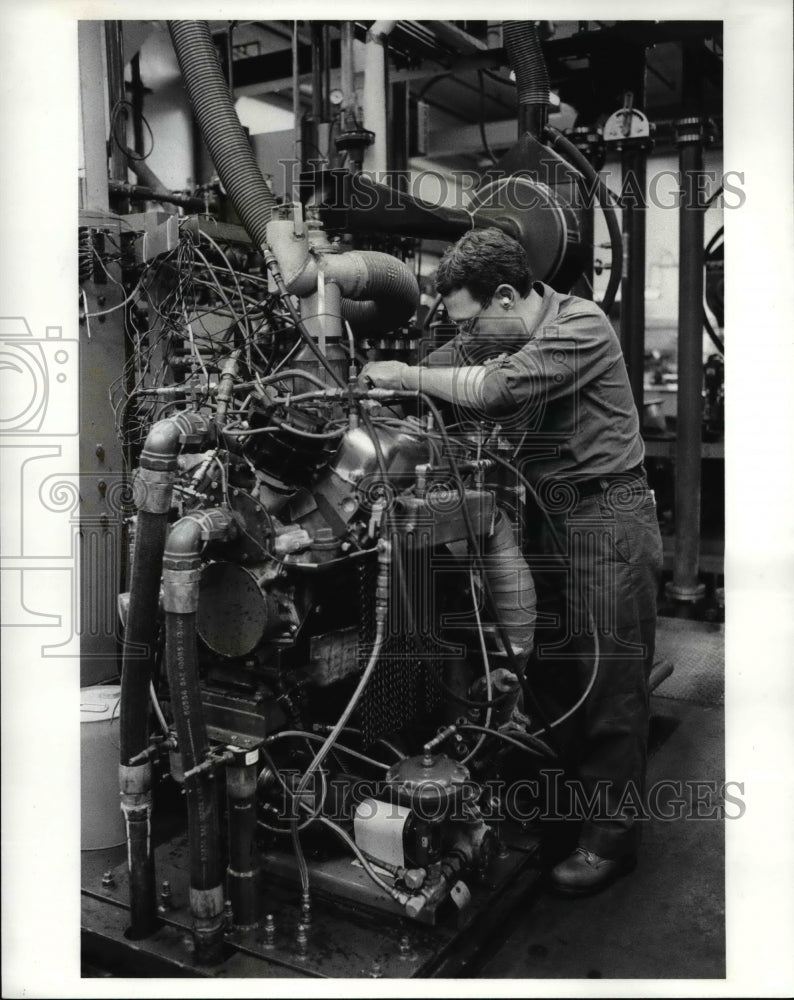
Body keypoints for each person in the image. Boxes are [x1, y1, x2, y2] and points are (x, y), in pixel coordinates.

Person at [360, 227, 663, 896]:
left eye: (472, 319)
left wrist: (410, 376)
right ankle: (564, 808)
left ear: (506, 295)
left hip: (606, 518)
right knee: (550, 668)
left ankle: (611, 843)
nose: (467, 334)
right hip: (549, 518)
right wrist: (382, 392)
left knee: (610, 681)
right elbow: (450, 368)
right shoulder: (494, 330)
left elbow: (495, 390)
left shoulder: (577, 325)